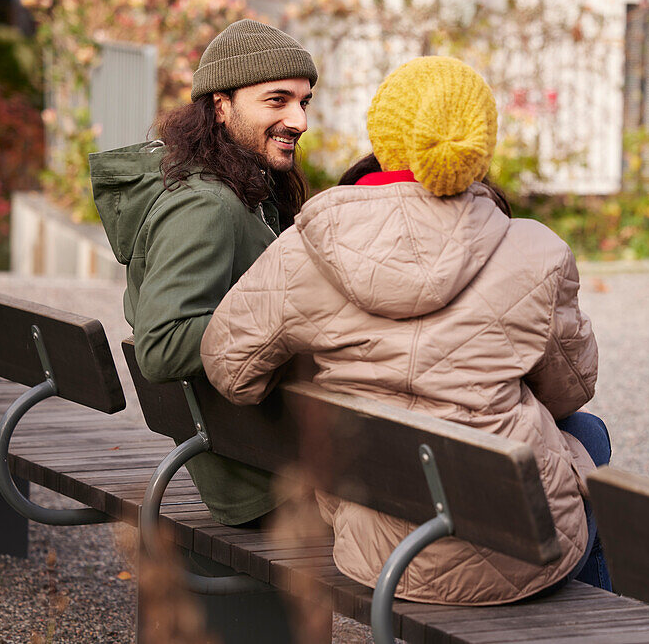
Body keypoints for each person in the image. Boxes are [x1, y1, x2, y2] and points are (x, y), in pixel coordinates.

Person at [200, 55, 612, 603]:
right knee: (590, 436)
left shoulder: (307, 244)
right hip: (520, 553)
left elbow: (230, 370)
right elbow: (571, 392)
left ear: (386, 136)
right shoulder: (536, 250)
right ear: (479, 143)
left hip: (377, 548)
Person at [89, 19, 317, 527]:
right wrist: (295, 317)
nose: (299, 120)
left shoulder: (235, 188)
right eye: (277, 101)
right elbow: (163, 343)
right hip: (265, 484)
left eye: (304, 102)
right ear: (220, 106)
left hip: (250, 456)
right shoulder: (204, 205)